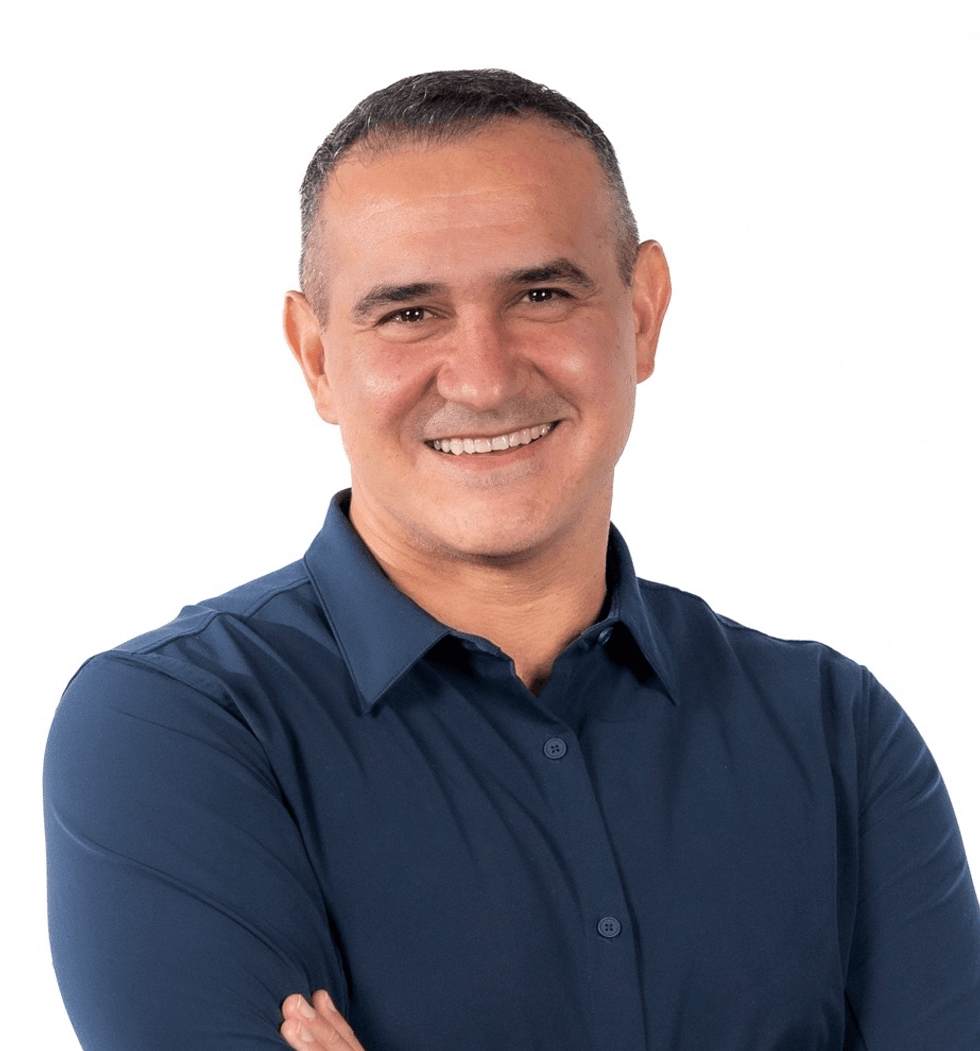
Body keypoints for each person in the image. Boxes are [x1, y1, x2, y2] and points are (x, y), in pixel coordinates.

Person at [44, 69, 980, 1051]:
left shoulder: (833, 732)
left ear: (642, 311)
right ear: (316, 357)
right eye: (408, 313)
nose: (484, 378)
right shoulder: (177, 728)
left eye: (539, 292)